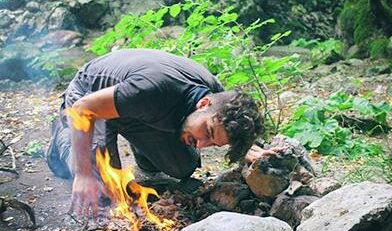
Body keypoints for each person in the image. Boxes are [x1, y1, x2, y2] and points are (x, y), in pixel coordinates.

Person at [46, 48, 264, 217]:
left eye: (213, 144)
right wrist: (83, 173)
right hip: (90, 97)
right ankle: (62, 138)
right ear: (203, 103)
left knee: (182, 167)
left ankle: (142, 150)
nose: (201, 144)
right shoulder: (152, 91)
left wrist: (245, 148)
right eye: (207, 132)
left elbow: (234, 117)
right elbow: (83, 109)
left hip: (133, 107)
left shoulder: (218, 98)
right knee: (102, 189)